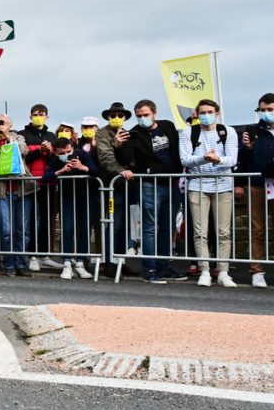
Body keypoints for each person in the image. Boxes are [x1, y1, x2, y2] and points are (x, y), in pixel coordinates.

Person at [121, 99, 184, 283]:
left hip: (171, 183)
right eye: (139, 116)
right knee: (149, 228)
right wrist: (119, 145)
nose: (143, 119)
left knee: (168, 227)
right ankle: (149, 269)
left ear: (154, 113)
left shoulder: (168, 126)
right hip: (149, 184)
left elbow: (176, 150)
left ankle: (164, 267)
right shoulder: (133, 134)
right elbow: (127, 158)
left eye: (146, 115)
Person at [179, 99, 238, 287]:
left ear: (217, 113)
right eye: (202, 112)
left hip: (223, 186)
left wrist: (217, 159)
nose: (206, 115)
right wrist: (205, 158)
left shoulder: (228, 132)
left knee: (223, 231)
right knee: (199, 232)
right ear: (196, 114)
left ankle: (223, 271)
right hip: (197, 186)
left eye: (209, 112)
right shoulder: (189, 132)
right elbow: (185, 160)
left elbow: (232, 160)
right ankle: (204, 270)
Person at [0, 116, 35, 277]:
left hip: (23, 189)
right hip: (1, 191)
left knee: (22, 230)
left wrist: (8, 135)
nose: (0, 126)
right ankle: (8, 264)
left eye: (2, 123)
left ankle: (21, 264)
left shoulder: (18, 137)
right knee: (6, 229)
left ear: (10, 124)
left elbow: (24, 151)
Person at [41, 134, 98, 280]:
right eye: (61, 154)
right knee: (67, 228)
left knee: (85, 228)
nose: (66, 155)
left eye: (68, 152)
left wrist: (82, 167)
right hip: (66, 197)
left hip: (86, 196)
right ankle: (67, 263)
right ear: (55, 153)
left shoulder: (81, 154)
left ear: (72, 147)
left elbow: (95, 171)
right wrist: (59, 171)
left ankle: (80, 263)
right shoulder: (56, 160)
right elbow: (45, 177)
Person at [238, 93, 274, 288]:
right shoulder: (253, 131)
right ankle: (257, 270)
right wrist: (247, 148)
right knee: (257, 229)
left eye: (270, 109)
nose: (266, 113)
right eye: (263, 110)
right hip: (256, 184)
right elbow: (242, 160)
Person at [20, 104, 60, 271]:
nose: (38, 116)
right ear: (30, 117)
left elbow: (56, 160)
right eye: (35, 114)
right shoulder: (23, 134)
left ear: (47, 117)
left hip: (47, 183)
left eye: (41, 114)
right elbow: (23, 158)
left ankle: (44, 255)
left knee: (46, 220)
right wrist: (40, 151)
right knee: (30, 221)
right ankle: (32, 255)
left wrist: (49, 152)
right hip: (30, 183)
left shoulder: (51, 135)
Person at [93, 102, 134, 262]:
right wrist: (121, 170)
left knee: (124, 226)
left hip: (126, 186)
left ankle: (120, 261)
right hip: (110, 185)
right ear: (108, 117)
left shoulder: (129, 134)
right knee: (113, 224)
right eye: (113, 115)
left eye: (120, 115)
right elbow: (106, 158)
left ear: (124, 118)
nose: (116, 118)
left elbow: (132, 159)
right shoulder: (101, 134)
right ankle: (110, 261)